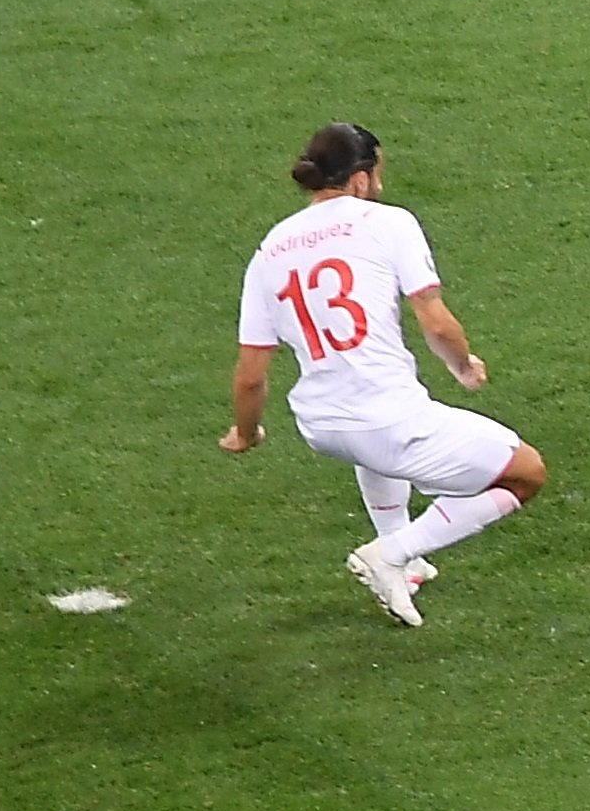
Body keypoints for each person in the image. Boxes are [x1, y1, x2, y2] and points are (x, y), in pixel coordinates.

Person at [221, 123, 547, 627]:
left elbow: (250, 375)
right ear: (357, 179)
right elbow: (434, 319)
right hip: (386, 421)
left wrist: (246, 434)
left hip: (323, 427)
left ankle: (407, 564)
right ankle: (392, 553)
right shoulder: (386, 222)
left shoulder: (270, 250)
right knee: (525, 473)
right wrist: (463, 365)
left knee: (375, 440)